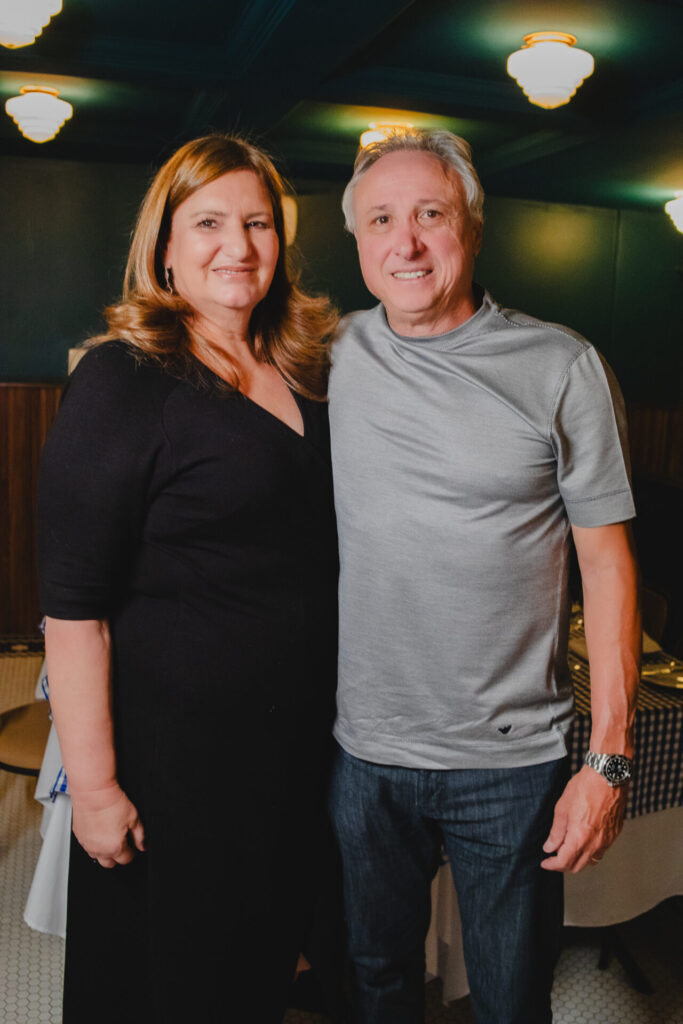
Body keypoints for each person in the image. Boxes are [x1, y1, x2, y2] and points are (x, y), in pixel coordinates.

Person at [327, 129, 641, 1024]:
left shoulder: (559, 365)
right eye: (380, 220)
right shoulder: (327, 354)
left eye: (429, 213)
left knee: (510, 1000)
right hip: (366, 752)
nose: (405, 241)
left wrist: (608, 758)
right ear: (356, 240)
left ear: (469, 226)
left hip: (510, 762)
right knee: (377, 982)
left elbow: (607, 566)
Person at [37, 133, 342, 1024]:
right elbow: (74, 612)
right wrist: (96, 790)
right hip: (173, 766)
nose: (237, 245)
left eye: (258, 223)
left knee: (250, 978)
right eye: (208, 222)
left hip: (290, 756)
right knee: (164, 984)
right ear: (165, 247)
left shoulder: (307, 371)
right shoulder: (123, 379)